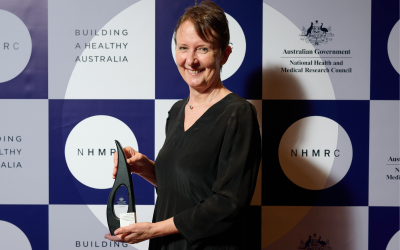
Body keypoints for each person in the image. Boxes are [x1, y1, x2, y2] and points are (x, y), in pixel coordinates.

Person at [105, 1, 261, 249]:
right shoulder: (177, 111)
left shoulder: (239, 114)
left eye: (203, 49)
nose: (190, 60)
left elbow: (229, 203)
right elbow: (190, 189)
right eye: (183, 47)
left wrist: (154, 229)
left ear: (224, 54)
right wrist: (145, 168)